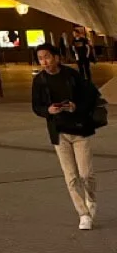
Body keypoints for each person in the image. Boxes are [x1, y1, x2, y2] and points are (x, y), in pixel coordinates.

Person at [32, 42, 102, 230]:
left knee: (86, 174)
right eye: (40, 58)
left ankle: (91, 199)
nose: (44, 62)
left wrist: (75, 106)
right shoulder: (39, 80)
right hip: (59, 133)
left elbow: (90, 96)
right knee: (71, 177)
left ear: (57, 57)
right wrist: (48, 110)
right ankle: (83, 214)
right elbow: (36, 106)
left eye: (47, 57)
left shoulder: (72, 75)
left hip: (79, 130)